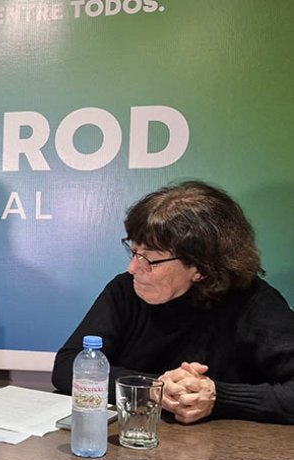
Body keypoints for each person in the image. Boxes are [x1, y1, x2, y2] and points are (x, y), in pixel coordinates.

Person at [53, 180, 294, 425]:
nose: (133, 267)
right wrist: (153, 388)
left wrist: (217, 397)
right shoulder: (125, 290)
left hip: (230, 445)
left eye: (149, 259)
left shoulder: (255, 303)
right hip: (137, 437)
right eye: (134, 251)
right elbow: (67, 366)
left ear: (201, 268)